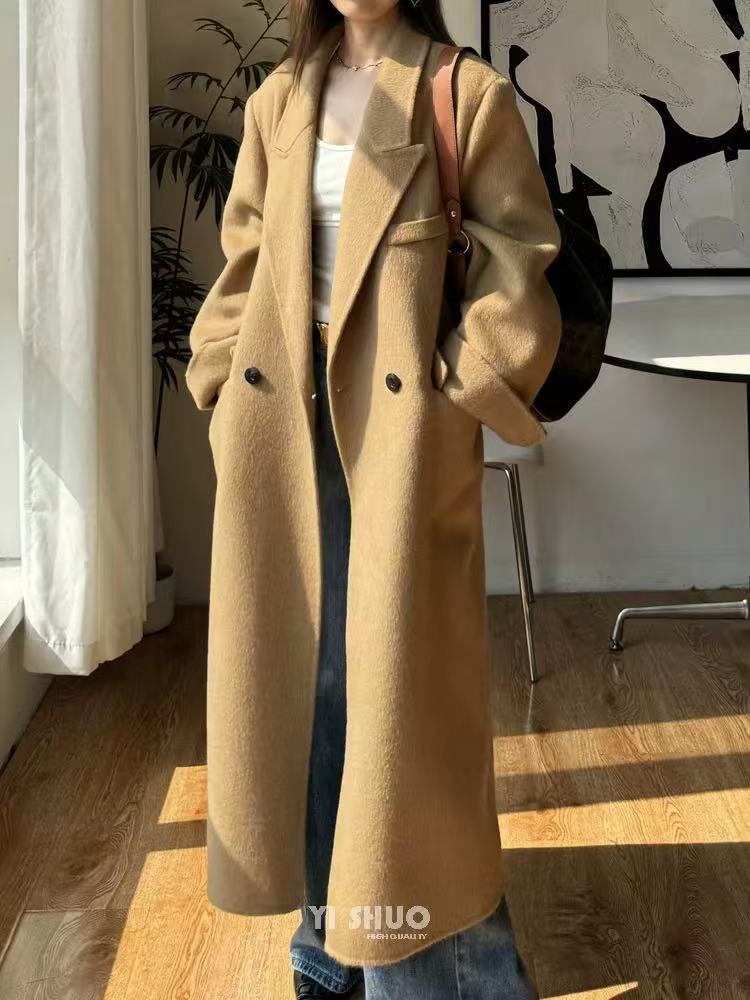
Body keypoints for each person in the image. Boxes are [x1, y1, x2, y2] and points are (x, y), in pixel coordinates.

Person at [185, 2, 562, 998]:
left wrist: (455, 390)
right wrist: (222, 383)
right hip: (282, 427)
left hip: (397, 435)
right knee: (308, 681)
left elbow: (520, 264)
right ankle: (329, 934)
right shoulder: (280, 100)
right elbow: (244, 261)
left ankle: (440, 968)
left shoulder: (462, 94)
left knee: (401, 694)